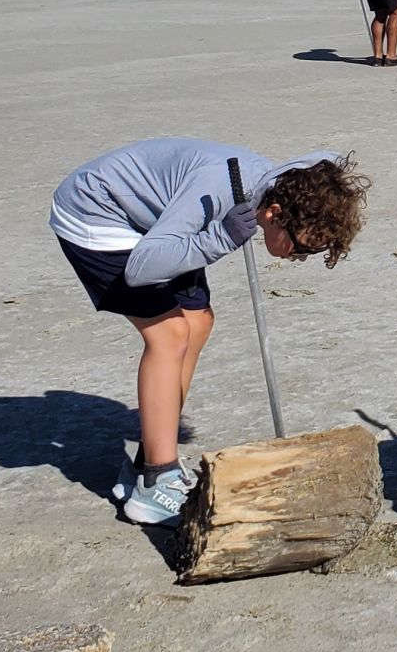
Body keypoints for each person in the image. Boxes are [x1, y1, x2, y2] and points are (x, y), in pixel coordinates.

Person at [50, 137, 369, 524]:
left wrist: (218, 236)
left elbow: (327, 160)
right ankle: (156, 481)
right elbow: (141, 268)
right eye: (302, 246)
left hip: (154, 221)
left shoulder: (273, 185)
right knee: (169, 333)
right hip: (95, 212)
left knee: (198, 320)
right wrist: (221, 238)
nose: (300, 257)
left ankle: (144, 466)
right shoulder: (218, 186)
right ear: (274, 213)